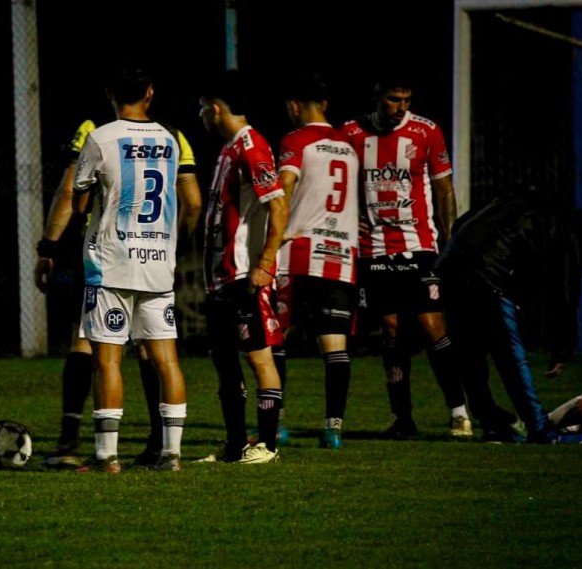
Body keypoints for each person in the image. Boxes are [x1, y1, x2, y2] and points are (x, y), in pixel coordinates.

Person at [35, 110, 201, 469]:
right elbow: (193, 202)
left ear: (111, 93)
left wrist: (48, 245)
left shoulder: (95, 131)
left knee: (97, 352)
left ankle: (90, 448)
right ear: (150, 93)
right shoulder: (173, 135)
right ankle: (166, 450)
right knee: (162, 357)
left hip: (109, 259)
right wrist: (175, 247)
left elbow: (72, 193)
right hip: (157, 259)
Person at [342, 74, 473, 439]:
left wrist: (450, 241)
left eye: (407, 100)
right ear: (377, 96)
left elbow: (444, 188)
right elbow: (338, 182)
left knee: (432, 326)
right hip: (374, 247)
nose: (401, 108)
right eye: (394, 99)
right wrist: (351, 218)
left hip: (419, 245)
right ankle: (402, 418)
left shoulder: (426, 131)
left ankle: (459, 412)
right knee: (391, 329)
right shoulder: (351, 133)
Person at [435, 188, 582, 444]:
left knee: (469, 355)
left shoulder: (517, 203)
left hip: (451, 264)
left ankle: (492, 422)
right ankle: (540, 429)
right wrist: (562, 347)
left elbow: (463, 221)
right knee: (510, 356)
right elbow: (564, 292)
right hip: (488, 273)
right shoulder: (568, 231)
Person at [198, 70, 289, 464]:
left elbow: (279, 206)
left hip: (242, 276)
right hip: (219, 278)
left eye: (203, 108)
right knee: (224, 363)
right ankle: (235, 446)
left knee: (258, 357)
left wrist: (264, 263)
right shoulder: (228, 149)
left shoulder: (252, 147)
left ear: (216, 108)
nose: (201, 115)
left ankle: (267, 445)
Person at [275, 73, 359, 450]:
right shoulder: (349, 145)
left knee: (277, 337)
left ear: (295, 106)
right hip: (341, 255)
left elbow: (285, 185)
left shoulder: (296, 140)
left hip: (299, 253)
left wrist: (272, 235)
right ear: (324, 105)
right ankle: (333, 429)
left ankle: (276, 423)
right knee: (335, 345)